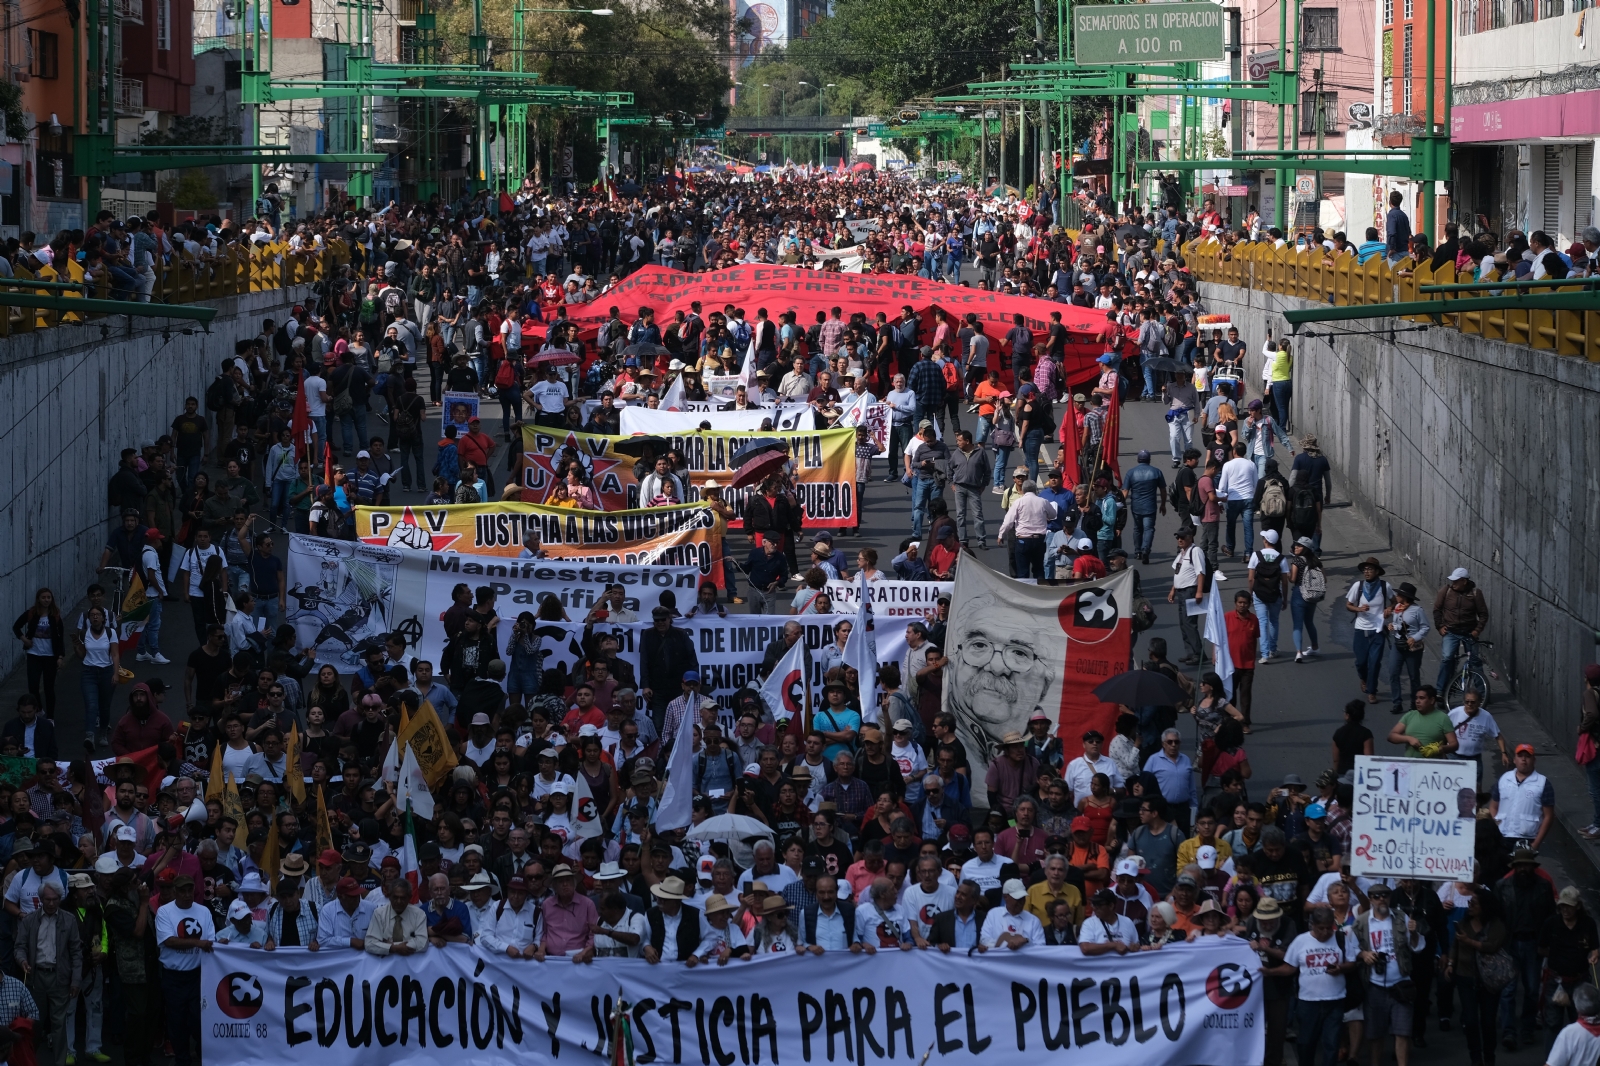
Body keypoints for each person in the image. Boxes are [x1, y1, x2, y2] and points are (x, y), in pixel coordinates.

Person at [1266, 905, 1358, 1066]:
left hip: (1335, 1001)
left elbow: (1351, 963)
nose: (1325, 932)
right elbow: (1290, 967)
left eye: (1329, 928)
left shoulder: (1340, 938)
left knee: (1331, 1044)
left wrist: (1340, 969)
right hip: (1308, 1003)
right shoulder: (1301, 941)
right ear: (1312, 924)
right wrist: (1270, 972)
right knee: (1306, 1043)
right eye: (1321, 928)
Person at [154, 875, 214, 1066]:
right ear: (175, 892)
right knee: (177, 1022)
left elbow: (211, 943)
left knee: (199, 1020)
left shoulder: (204, 911)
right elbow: (169, 941)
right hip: (173, 976)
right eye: (182, 891)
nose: (187, 895)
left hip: (197, 975)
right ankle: (182, 1059)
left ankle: (201, 1053)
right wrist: (199, 943)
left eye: (190, 890)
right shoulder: (164, 912)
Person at [1491, 747, 1555, 853]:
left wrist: (1535, 844)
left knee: (1523, 870)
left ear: (1534, 760)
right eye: (1520, 756)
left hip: (1527, 840)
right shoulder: (1503, 779)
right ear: (1514, 760)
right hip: (1502, 837)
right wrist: (1495, 829)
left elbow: (1548, 816)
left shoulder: (1543, 783)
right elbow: (1493, 807)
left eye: (1527, 756)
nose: (1523, 759)